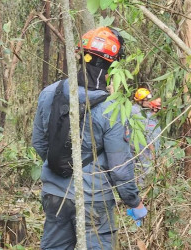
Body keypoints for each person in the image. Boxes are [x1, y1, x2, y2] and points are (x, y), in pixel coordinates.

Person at [32, 27, 147, 250]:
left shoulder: (49, 93)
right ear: (112, 66)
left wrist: (61, 165)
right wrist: (134, 202)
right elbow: (120, 168)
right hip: (94, 199)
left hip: (55, 194)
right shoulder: (112, 109)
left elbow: (39, 143)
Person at [131, 87, 162, 187]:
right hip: (143, 149)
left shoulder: (143, 112)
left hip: (142, 148)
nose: (149, 102)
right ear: (140, 100)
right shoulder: (137, 112)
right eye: (147, 100)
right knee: (144, 172)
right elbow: (147, 134)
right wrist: (153, 155)